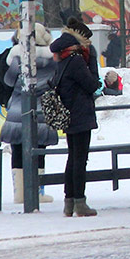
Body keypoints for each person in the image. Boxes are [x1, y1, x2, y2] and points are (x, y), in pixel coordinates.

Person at [0, 22, 59, 204]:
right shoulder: (51, 61)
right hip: (41, 112)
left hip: (18, 111)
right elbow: (55, 82)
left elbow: (8, 81)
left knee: (17, 149)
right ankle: (38, 192)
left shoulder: (18, 57)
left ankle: (19, 193)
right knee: (39, 150)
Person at [49, 17, 100, 216]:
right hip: (80, 114)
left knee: (73, 158)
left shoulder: (63, 57)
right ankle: (80, 203)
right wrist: (93, 62)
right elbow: (92, 85)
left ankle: (69, 202)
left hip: (69, 113)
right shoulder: (77, 60)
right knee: (80, 160)